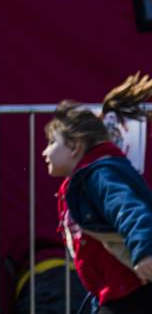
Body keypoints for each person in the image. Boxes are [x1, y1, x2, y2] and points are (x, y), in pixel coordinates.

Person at [41, 73, 152, 314]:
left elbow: (131, 209)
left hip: (134, 290)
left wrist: (145, 252)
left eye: (51, 142)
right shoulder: (87, 178)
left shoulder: (101, 175)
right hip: (116, 292)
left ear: (74, 146)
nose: (45, 152)